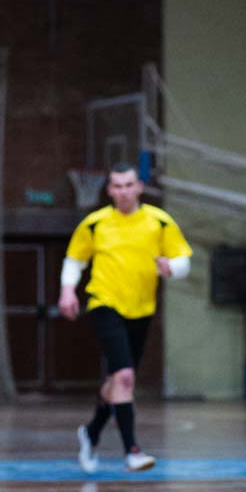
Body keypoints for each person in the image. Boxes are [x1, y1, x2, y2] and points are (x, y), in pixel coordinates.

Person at [58, 163, 192, 473]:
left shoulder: (159, 222)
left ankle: (91, 433)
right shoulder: (95, 224)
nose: (123, 191)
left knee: (117, 380)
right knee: (125, 377)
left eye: (129, 185)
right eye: (117, 186)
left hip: (141, 310)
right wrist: (67, 291)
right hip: (104, 303)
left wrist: (172, 268)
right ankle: (132, 450)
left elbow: (183, 259)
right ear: (109, 191)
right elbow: (75, 259)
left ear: (139, 187)